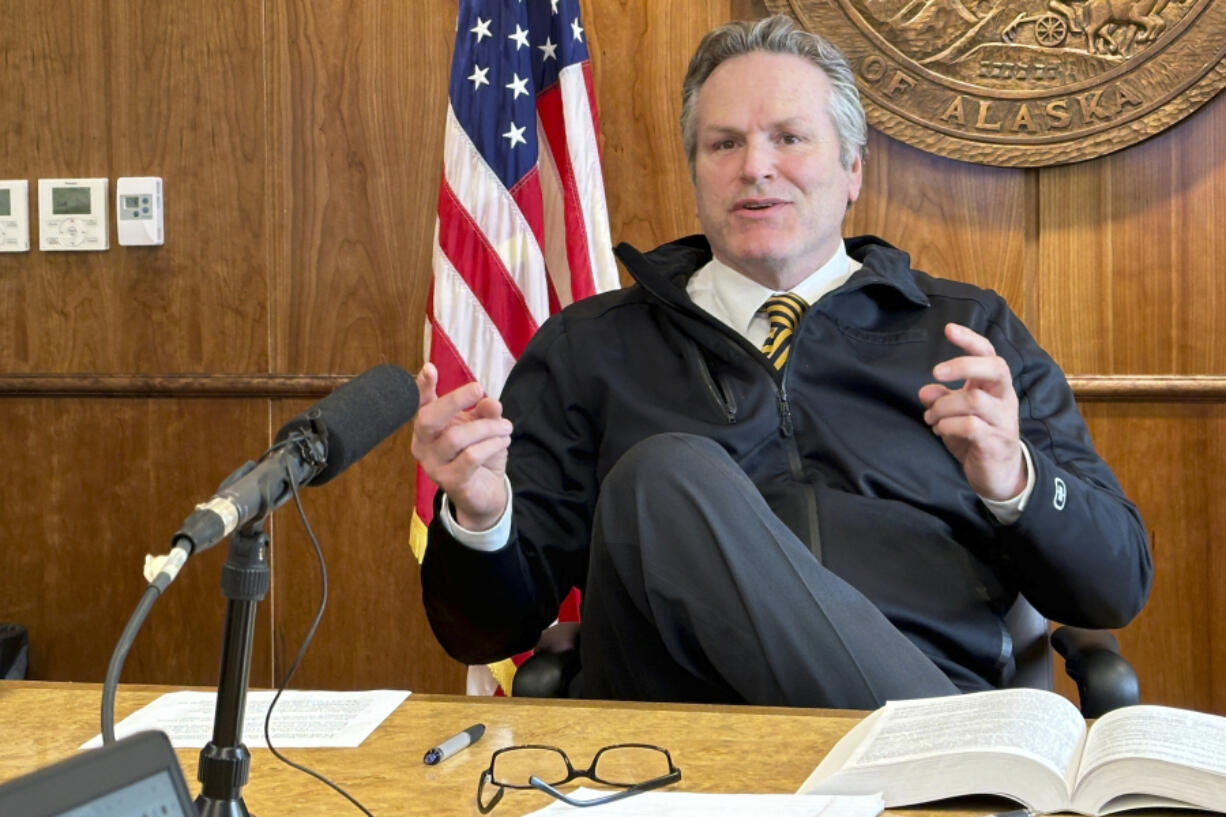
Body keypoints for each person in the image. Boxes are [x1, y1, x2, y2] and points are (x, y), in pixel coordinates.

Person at [412, 15, 1151, 708]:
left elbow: (1114, 587)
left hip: (922, 693)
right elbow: (484, 632)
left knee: (665, 474)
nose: (755, 167)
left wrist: (1016, 482)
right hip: (683, 754)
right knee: (663, 479)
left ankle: (922, 749)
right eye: (724, 144)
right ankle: (928, 757)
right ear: (696, 171)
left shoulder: (965, 332)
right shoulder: (592, 346)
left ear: (853, 169)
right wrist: (481, 520)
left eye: (790, 138)